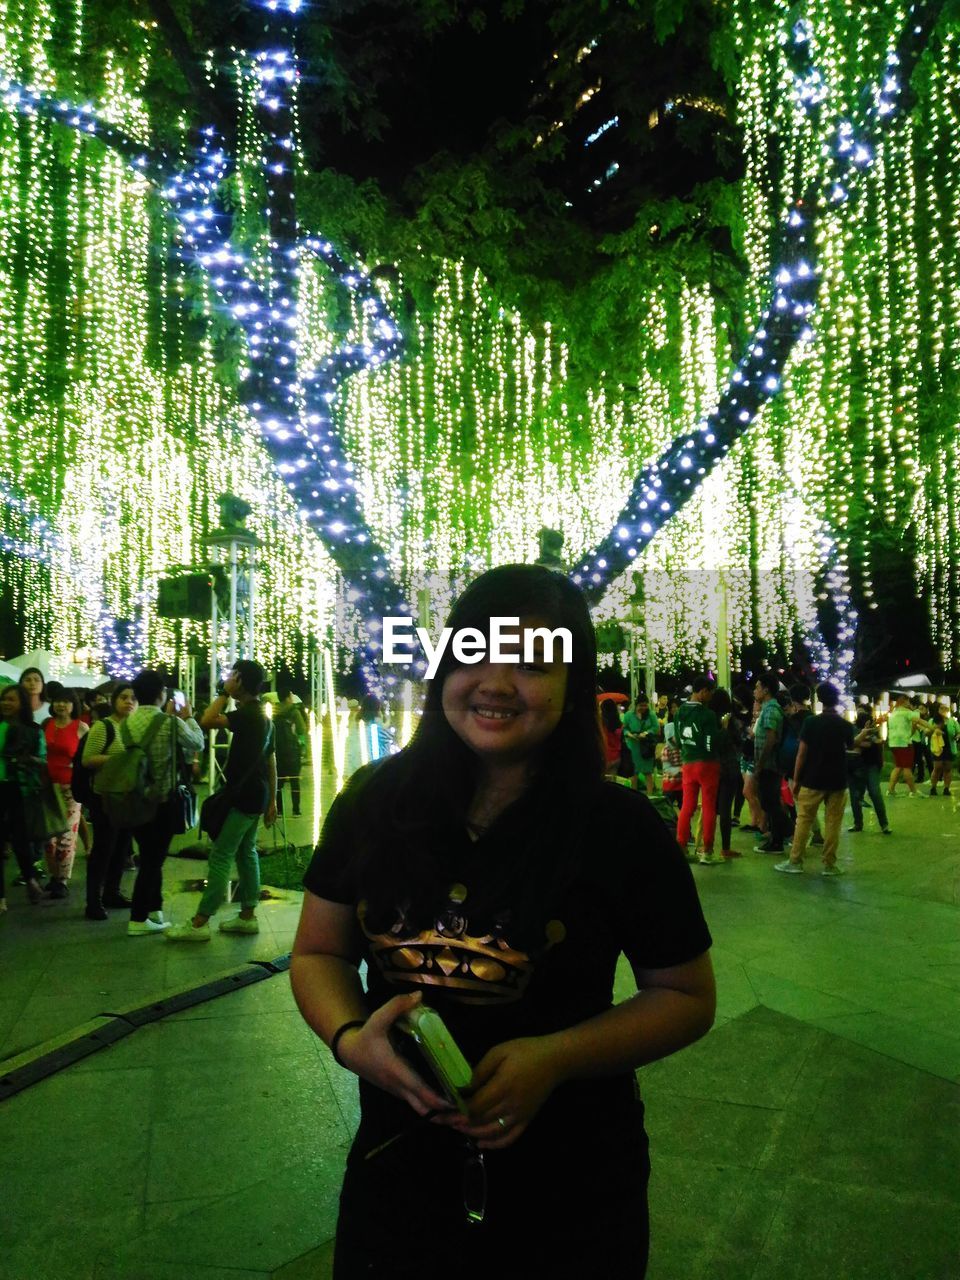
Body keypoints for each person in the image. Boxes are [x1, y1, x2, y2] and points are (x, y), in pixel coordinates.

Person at [290, 564, 715, 1278]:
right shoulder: (375, 801)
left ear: (573, 686)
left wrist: (554, 1059)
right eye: (475, 652)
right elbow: (319, 953)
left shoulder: (618, 828)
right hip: (398, 1177)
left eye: (530, 663)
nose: (494, 680)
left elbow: (686, 997)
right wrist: (348, 1039)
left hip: (572, 1186)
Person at [166, 660, 277, 940]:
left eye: (231, 676)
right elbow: (271, 763)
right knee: (246, 851)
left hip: (244, 795)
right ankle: (247, 916)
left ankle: (200, 923)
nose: (227, 679)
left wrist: (224, 693)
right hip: (257, 794)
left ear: (239, 679)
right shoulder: (264, 717)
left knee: (221, 855)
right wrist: (272, 800)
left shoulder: (248, 714)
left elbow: (206, 720)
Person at [121, 670, 204, 936]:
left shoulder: (126, 724)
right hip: (163, 801)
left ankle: (154, 910)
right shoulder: (169, 722)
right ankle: (137, 919)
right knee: (152, 861)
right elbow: (198, 742)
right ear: (161, 695)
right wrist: (188, 716)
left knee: (149, 855)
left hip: (135, 800)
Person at [775, 681, 855, 877]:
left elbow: (802, 754)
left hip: (813, 778)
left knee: (803, 820)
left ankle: (795, 861)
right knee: (833, 823)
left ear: (819, 700)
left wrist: (796, 779)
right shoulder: (845, 725)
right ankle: (829, 864)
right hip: (837, 780)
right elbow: (849, 747)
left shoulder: (811, 723)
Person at [81, 683, 138, 920]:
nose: (129, 702)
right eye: (123, 697)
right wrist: (119, 758)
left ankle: (112, 892)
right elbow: (87, 759)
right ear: (114, 701)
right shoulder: (103, 727)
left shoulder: (135, 728)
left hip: (127, 796)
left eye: (133, 698)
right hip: (104, 796)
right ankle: (93, 900)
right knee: (103, 849)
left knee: (121, 848)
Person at [0, 684, 47, 907]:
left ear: (22, 703)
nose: (6, 703)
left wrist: (28, 760)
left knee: (21, 840)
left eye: (12, 699)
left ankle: (29, 879)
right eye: (4, 699)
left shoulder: (34, 730)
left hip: (21, 789)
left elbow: (42, 760)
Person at [42, 687, 88, 898]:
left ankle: (62, 879)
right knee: (49, 837)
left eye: (66, 701)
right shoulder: (46, 725)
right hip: (47, 786)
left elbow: (87, 757)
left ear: (73, 705)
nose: (61, 705)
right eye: (58, 701)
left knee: (66, 835)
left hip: (71, 788)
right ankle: (54, 875)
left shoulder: (81, 728)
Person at [674, 677, 721, 861]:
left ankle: (682, 846)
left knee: (687, 806)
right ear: (702, 691)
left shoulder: (679, 713)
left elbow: (678, 740)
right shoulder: (707, 715)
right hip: (707, 763)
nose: (710, 697)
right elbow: (710, 742)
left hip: (688, 762)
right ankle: (707, 851)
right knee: (709, 806)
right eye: (710, 692)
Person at [753, 672, 788, 852]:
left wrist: (760, 764)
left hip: (770, 765)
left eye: (757, 687)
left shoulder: (771, 709)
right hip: (766, 764)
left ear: (766, 690)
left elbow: (771, 739)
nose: (755, 691)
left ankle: (779, 840)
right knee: (768, 801)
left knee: (771, 802)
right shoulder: (767, 708)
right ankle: (779, 836)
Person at [709, 688, 742, 862]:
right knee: (725, 810)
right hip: (729, 767)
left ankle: (707, 845)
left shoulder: (708, 719)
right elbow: (738, 741)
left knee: (711, 809)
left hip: (712, 768)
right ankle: (725, 848)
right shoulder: (729, 720)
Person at [848, 706, 891, 835]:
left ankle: (884, 824)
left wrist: (858, 741)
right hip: (854, 765)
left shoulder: (873, 728)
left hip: (871, 764)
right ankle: (858, 824)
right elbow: (850, 742)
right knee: (855, 795)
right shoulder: (852, 727)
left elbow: (873, 743)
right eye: (858, 712)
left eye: (863, 712)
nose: (860, 715)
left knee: (875, 793)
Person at [274, 683, 308, 816]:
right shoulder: (294, 711)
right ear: (288, 697)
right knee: (295, 781)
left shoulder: (275, 712)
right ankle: (296, 810)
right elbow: (301, 730)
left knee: (278, 782)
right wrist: (303, 746)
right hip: (292, 750)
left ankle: (279, 810)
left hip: (278, 751)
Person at [885, 693, 923, 796]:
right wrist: (931, 727)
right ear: (904, 701)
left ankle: (890, 790)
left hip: (893, 742)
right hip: (904, 743)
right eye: (908, 701)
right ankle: (913, 791)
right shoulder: (907, 712)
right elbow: (918, 722)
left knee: (898, 766)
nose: (909, 703)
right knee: (907, 767)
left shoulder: (893, 713)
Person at [622, 693, 660, 793]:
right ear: (636, 705)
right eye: (641, 705)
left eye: (645, 705)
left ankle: (650, 795)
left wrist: (646, 733)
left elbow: (656, 728)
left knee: (648, 773)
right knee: (633, 774)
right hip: (633, 746)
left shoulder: (651, 714)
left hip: (646, 747)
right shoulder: (628, 715)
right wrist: (629, 734)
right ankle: (633, 796)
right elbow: (624, 728)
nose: (643, 707)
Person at [928, 704, 958, 797]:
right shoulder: (932, 720)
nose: (944, 710)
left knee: (948, 768)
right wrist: (934, 730)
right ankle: (933, 787)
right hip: (937, 748)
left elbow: (958, 732)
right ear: (938, 709)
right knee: (937, 767)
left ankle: (946, 788)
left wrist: (957, 736)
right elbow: (926, 732)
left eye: (946, 708)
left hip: (949, 747)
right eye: (941, 708)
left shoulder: (952, 721)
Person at [599, 696, 623, 778]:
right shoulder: (619, 723)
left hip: (605, 756)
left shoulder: (601, 723)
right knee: (612, 782)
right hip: (617, 757)